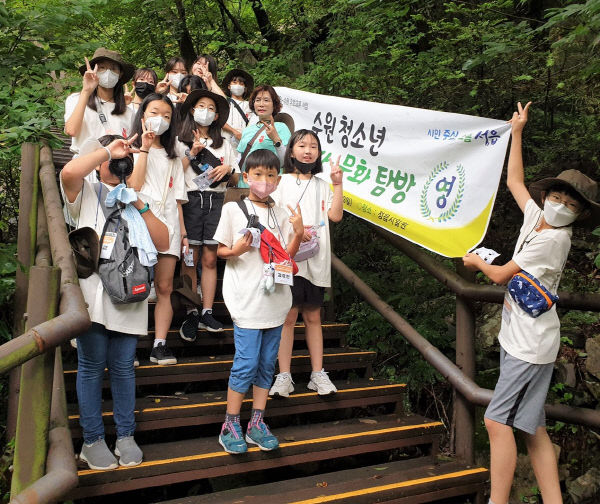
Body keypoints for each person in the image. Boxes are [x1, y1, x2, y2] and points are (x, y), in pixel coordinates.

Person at [463, 102, 600, 504]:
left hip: (530, 346)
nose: (561, 206)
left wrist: (474, 261)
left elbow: (503, 274)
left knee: (494, 420)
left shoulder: (554, 238)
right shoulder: (536, 217)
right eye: (558, 196)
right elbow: (515, 182)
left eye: (572, 206)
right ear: (549, 195)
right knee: (532, 425)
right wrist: (517, 131)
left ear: (578, 216)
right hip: (521, 338)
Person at [60, 134, 169, 470]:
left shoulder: (138, 198)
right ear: (98, 159)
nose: (120, 160)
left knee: (123, 369)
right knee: (91, 367)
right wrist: (106, 150)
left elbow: (163, 240)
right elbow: (67, 174)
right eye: (112, 156)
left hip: (130, 297)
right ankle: (92, 440)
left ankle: (125, 435)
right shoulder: (85, 193)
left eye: (125, 156)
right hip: (94, 296)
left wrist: (138, 203)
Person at [213, 149, 304, 454]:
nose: (264, 181)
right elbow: (220, 252)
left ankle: (257, 422)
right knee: (246, 364)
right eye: (257, 175)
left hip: (277, 300)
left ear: (277, 179)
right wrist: (236, 250)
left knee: (267, 364)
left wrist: (299, 231)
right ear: (246, 176)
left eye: (270, 175)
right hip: (246, 299)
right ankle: (230, 424)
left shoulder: (282, 213)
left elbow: (287, 257)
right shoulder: (233, 210)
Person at [269, 130, 344, 397]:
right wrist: (296, 231)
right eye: (302, 145)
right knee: (287, 317)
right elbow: (272, 219)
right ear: (291, 152)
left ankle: (317, 374)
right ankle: (284, 376)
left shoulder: (324, 185)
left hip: (316, 259)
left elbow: (335, 216)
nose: (307, 150)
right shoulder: (280, 182)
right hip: (288, 257)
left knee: (313, 316)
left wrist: (337, 184)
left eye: (313, 146)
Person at [176, 89, 239, 340]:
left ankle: (207, 311)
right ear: (192, 109)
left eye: (211, 108)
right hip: (190, 199)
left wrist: (228, 168)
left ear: (216, 117)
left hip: (216, 201)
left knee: (210, 259)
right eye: (201, 106)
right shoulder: (179, 139)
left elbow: (235, 178)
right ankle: (191, 310)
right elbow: (172, 173)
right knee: (190, 257)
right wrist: (192, 152)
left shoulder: (224, 141)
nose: (206, 111)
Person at [130, 93, 187, 366]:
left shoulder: (174, 156)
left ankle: (159, 344)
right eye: (154, 113)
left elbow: (177, 200)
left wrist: (183, 234)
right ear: (142, 116)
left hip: (169, 224)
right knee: (137, 282)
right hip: (139, 220)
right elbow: (133, 186)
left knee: (164, 286)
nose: (160, 120)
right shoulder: (130, 147)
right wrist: (143, 148)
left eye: (166, 115)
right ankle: (128, 344)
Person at [64, 48, 135, 169]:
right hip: (84, 167)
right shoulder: (76, 99)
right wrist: (86, 91)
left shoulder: (128, 112)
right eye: (102, 67)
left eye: (113, 69)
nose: (108, 72)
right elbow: (71, 130)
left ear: (120, 74)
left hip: (116, 170)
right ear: (93, 70)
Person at [236, 85, 292, 187]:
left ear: (274, 105)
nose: (261, 104)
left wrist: (276, 139)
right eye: (258, 100)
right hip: (244, 187)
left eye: (266, 100)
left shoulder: (281, 127)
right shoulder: (247, 130)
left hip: (268, 187)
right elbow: (239, 160)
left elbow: (286, 162)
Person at [221, 69, 255, 149]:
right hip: (225, 142)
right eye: (235, 82)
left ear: (245, 88)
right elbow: (219, 121)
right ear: (229, 86)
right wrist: (234, 131)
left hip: (244, 143)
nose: (238, 85)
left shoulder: (250, 106)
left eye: (241, 83)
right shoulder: (224, 102)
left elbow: (253, 125)